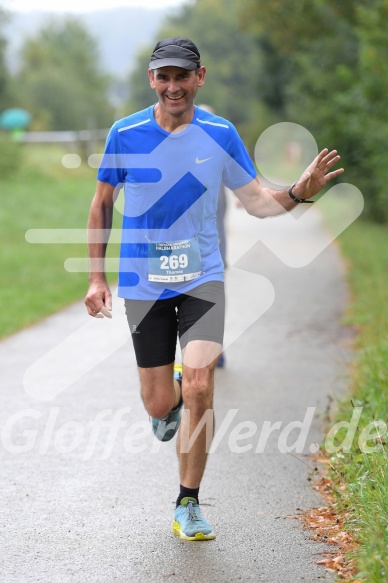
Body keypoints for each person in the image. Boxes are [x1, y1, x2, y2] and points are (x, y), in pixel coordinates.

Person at [84, 37, 343, 541]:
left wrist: (298, 193)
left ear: (200, 77)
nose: (173, 86)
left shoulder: (220, 134)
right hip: (144, 282)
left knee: (201, 386)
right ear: (151, 79)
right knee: (160, 404)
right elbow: (101, 205)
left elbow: (258, 203)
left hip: (203, 277)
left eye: (183, 76)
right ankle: (171, 398)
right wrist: (96, 277)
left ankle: (189, 502)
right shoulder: (127, 133)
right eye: (164, 77)